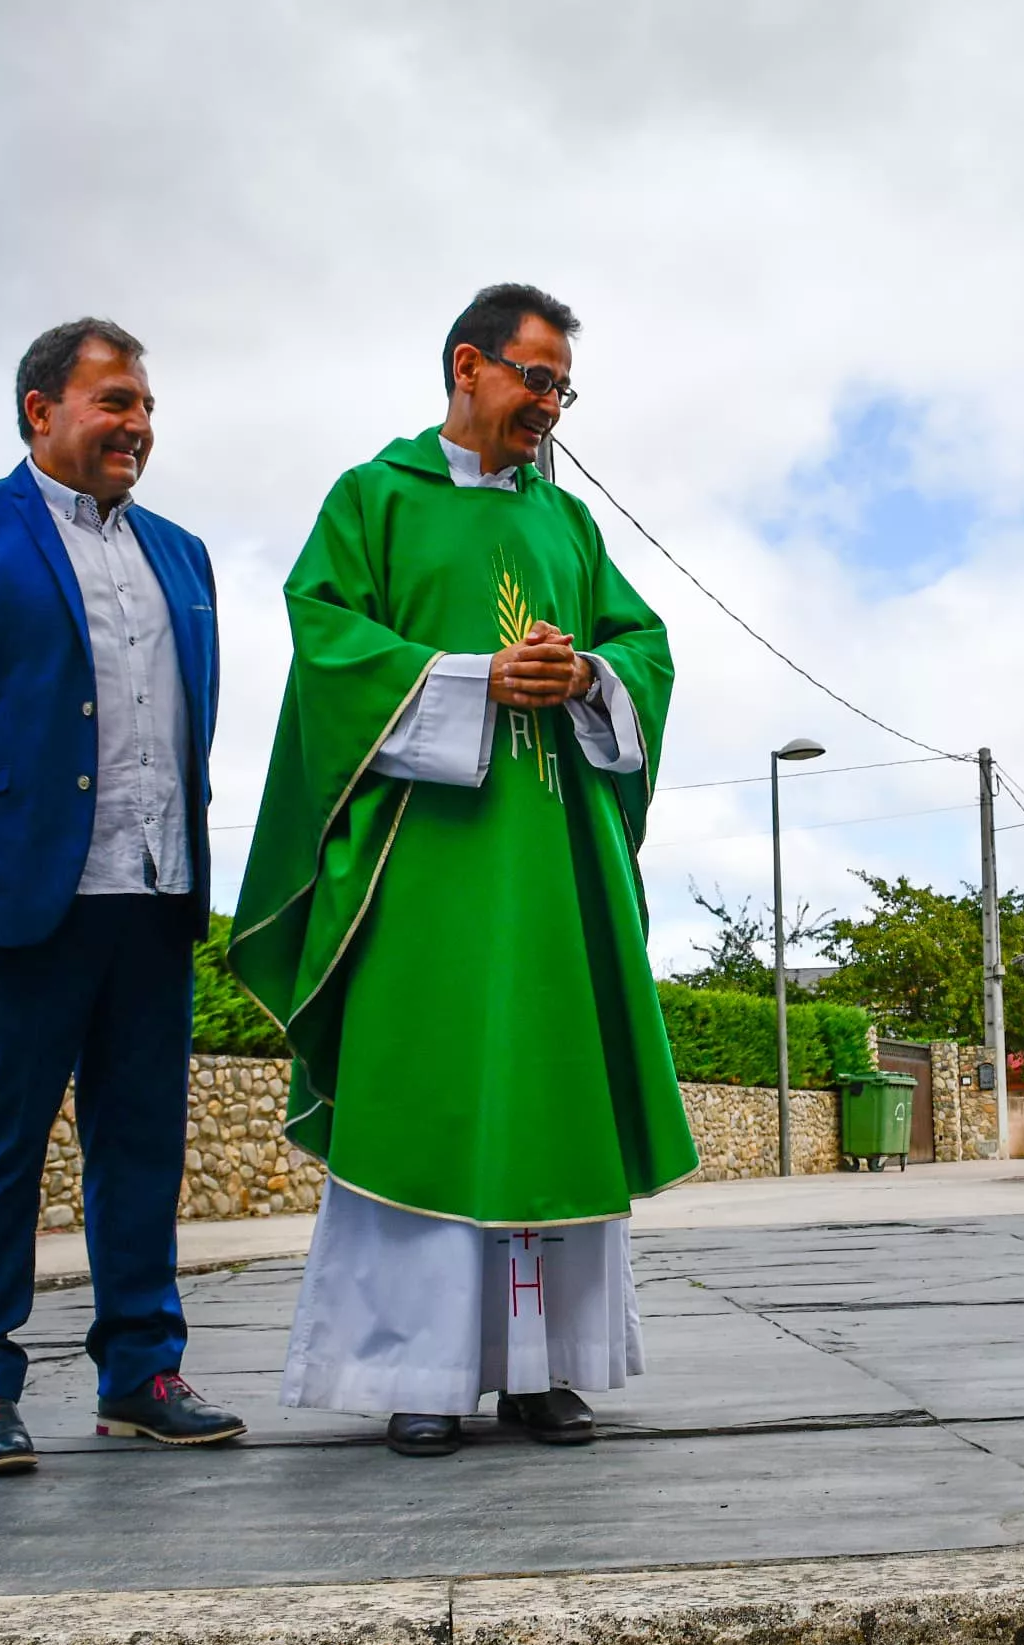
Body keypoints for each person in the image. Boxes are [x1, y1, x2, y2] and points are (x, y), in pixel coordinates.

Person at [229, 283, 696, 1457]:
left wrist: (586, 673)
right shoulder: (374, 498)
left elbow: (645, 643)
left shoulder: (569, 525)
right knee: (425, 1100)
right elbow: (327, 643)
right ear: (468, 366)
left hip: (549, 865)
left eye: (562, 387)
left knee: (546, 1101)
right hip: (426, 864)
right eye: (535, 379)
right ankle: (416, 1373)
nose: (550, 405)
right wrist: (468, 679)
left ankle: (545, 1372)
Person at [0, 320, 244, 1475]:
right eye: (113, 401)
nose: (137, 426)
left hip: (153, 888)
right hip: (16, 894)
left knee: (141, 1146)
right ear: (38, 410)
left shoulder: (183, 553)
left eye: (146, 408)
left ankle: (142, 1369)